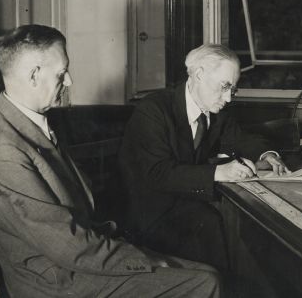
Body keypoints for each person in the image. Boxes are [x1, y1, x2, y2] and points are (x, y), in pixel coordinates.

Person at [0, 24, 220, 298]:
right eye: (62, 73)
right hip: (57, 283)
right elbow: (70, 247)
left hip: (76, 260)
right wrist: (146, 260)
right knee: (204, 282)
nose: (69, 81)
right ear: (34, 75)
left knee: (204, 271)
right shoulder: (2, 151)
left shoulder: (18, 119)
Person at [118, 44, 289, 274]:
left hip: (186, 204)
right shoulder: (154, 110)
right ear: (199, 74)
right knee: (217, 226)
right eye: (225, 86)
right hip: (149, 215)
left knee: (237, 227)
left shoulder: (213, 110)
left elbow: (241, 139)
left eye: (233, 89)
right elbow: (157, 173)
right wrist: (218, 172)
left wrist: (267, 154)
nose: (228, 98)